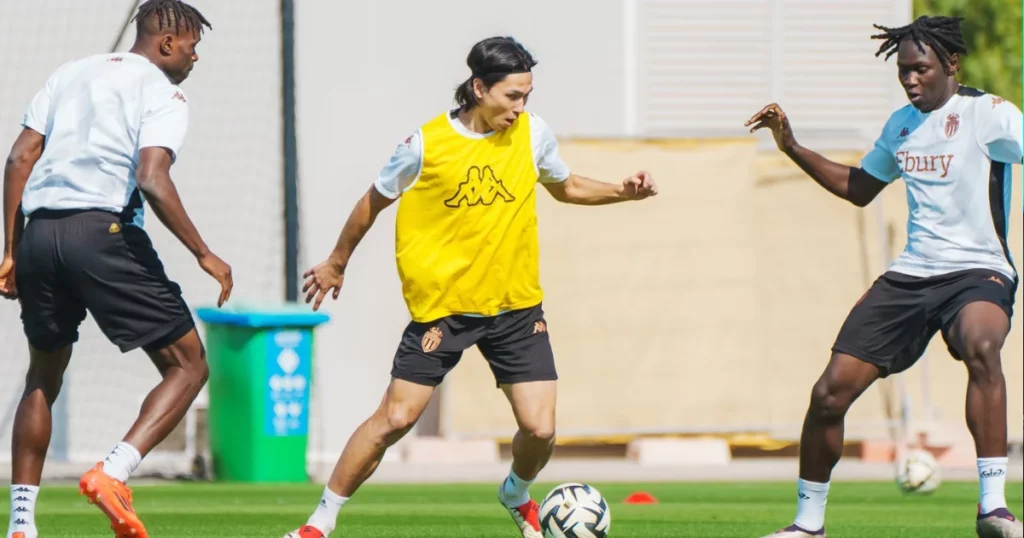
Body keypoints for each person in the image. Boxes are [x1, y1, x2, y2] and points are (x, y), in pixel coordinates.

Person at [285, 36, 657, 538]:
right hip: (444, 308)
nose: (521, 107)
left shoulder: (533, 134)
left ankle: (515, 492)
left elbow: (565, 186)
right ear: (479, 88)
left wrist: (621, 192)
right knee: (395, 418)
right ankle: (319, 523)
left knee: (541, 428)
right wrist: (336, 261)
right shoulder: (425, 144)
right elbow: (372, 201)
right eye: (512, 96)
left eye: (527, 95)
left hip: (516, 306)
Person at [747, 15, 1022, 538]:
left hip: (979, 271)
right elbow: (859, 187)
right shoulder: (900, 125)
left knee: (981, 344)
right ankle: (808, 525)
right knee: (829, 393)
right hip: (911, 276)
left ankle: (994, 509)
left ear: (950, 64)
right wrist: (792, 147)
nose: (910, 80)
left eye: (920, 69)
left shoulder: (990, 115)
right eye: (903, 72)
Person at [0, 1, 232, 537]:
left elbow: (18, 159)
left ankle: (20, 524)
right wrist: (203, 252)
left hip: (39, 235)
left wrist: (11, 251)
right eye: (194, 46)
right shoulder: (164, 93)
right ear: (167, 43)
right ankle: (113, 471)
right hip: (101, 234)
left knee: (43, 376)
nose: (196, 58)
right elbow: (152, 178)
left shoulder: (68, 73)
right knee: (189, 365)